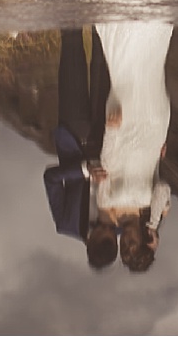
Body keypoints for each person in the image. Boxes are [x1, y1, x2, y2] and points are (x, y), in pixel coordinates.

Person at [93, 20, 173, 273]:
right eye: (133, 245)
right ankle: (154, 27)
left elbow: (108, 165)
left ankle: (125, 24)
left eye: (124, 248)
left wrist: (112, 131)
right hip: (151, 132)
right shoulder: (154, 211)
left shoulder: (107, 208)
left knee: (126, 78)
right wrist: (151, 225)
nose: (126, 241)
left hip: (125, 132)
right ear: (146, 243)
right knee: (151, 78)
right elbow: (162, 186)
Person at [41, 28, 116, 269]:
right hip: (107, 135)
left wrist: (83, 171)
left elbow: (51, 179)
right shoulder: (120, 226)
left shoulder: (65, 223)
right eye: (111, 231)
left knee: (71, 45)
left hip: (73, 133)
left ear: (89, 241)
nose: (109, 226)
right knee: (103, 56)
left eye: (102, 230)